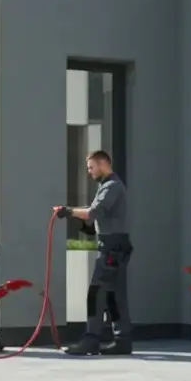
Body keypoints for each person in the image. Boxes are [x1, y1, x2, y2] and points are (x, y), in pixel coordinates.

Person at [54, 150, 133, 356]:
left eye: (91, 167)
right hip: (116, 246)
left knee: (96, 294)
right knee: (115, 297)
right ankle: (123, 341)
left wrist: (68, 211)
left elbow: (92, 213)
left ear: (103, 163)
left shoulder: (112, 186)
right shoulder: (106, 187)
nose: (89, 172)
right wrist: (77, 219)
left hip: (112, 249)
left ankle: (90, 340)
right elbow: (94, 220)